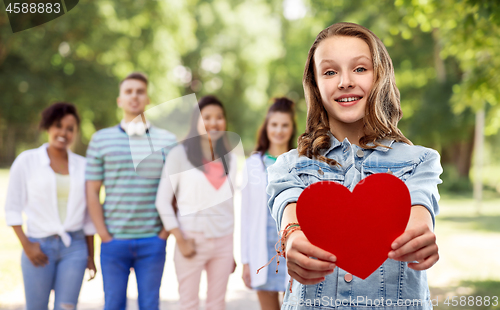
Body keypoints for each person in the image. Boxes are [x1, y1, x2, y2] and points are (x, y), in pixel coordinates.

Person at [267, 22, 443, 310]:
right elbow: (289, 209)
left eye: (360, 68)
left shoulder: (421, 161)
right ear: (315, 84)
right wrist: (293, 236)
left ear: (380, 76)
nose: (345, 81)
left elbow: (419, 211)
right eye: (330, 71)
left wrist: (418, 237)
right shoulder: (287, 166)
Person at [85, 72, 176, 310]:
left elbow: (176, 191)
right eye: (128, 91)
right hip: (114, 240)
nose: (134, 96)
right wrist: (104, 235)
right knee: (113, 304)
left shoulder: (167, 140)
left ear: (147, 98)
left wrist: (164, 234)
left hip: (152, 241)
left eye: (140, 91)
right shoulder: (100, 140)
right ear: (120, 99)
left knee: (150, 304)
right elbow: (92, 191)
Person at [4, 102, 96, 310]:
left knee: (66, 307)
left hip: (75, 248)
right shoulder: (26, 161)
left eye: (70, 128)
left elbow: (89, 216)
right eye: (58, 125)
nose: (63, 132)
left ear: (75, 133)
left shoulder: (84, 166)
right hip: (39, 246)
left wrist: (91, 256)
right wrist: (27, 245)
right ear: (47, 127)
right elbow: (12, 208)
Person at [156, 95, 237, 310]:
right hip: (191, 240)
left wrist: (231, 251)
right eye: (207, 117)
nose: (214, 122)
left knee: (217, 304)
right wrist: (180, 240)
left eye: (219, 117)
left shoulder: (231, 158)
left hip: (223, 243)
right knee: (188, 304)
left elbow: (229, 205)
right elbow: (162, 202)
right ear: (196, 121)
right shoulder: (179, 155)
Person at [241, 97, 297, 310]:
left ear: (292, 129)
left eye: (285, 125)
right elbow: (245, 215)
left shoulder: (298, 162)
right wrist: (246, 260)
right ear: (266, 127)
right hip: (261, 252)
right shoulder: (252, 165)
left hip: (292, 251)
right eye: (274, 125)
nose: (279, 130)